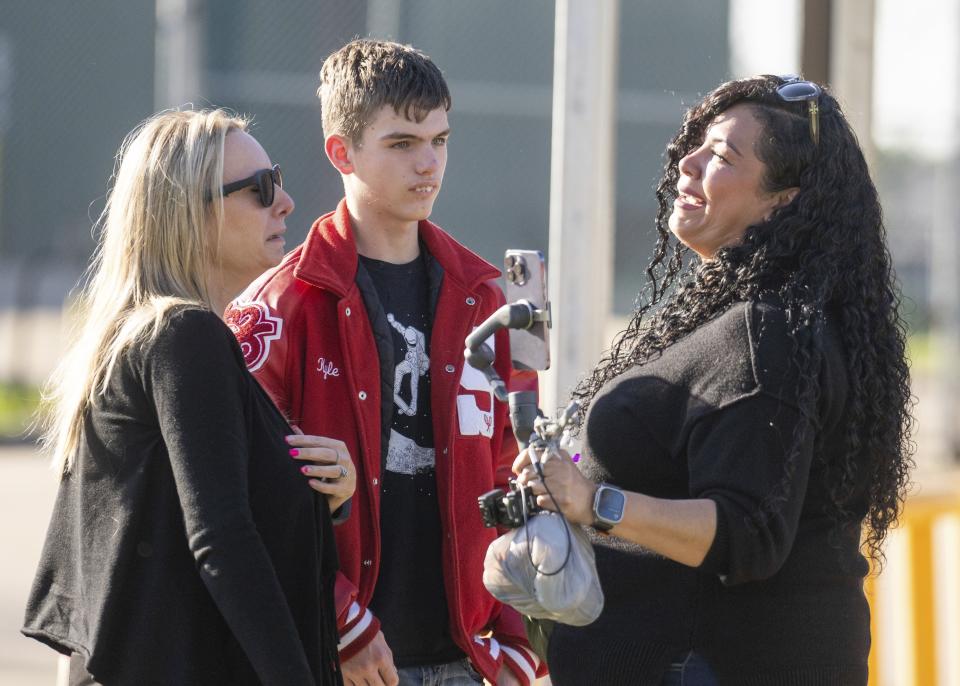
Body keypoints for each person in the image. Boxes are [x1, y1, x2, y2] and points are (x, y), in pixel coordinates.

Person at [513, 75, 913, 685]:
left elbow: (748, 535)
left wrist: (595, 502)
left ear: (783, 201)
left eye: (723, 156)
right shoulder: (765, 325)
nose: (688, 163)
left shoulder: (766, 336)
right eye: (698, 144)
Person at [226, 39, 544, 686]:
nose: (428, 164)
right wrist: (339, 621)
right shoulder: (279, 307)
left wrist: (519, 643)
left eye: (440, 140)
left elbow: (520, 470)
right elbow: (242, 498)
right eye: (401, 144)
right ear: (341, 151)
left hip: (467, 659)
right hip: (333, 658)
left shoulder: (489, 295)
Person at [22, 109, 352, 685]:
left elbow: (150, 539)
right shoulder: (184, 338)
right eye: (260, 189)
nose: (287, 202)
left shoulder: (141, 336)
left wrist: (324, 495)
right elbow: (221, 539)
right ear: (188, 214)